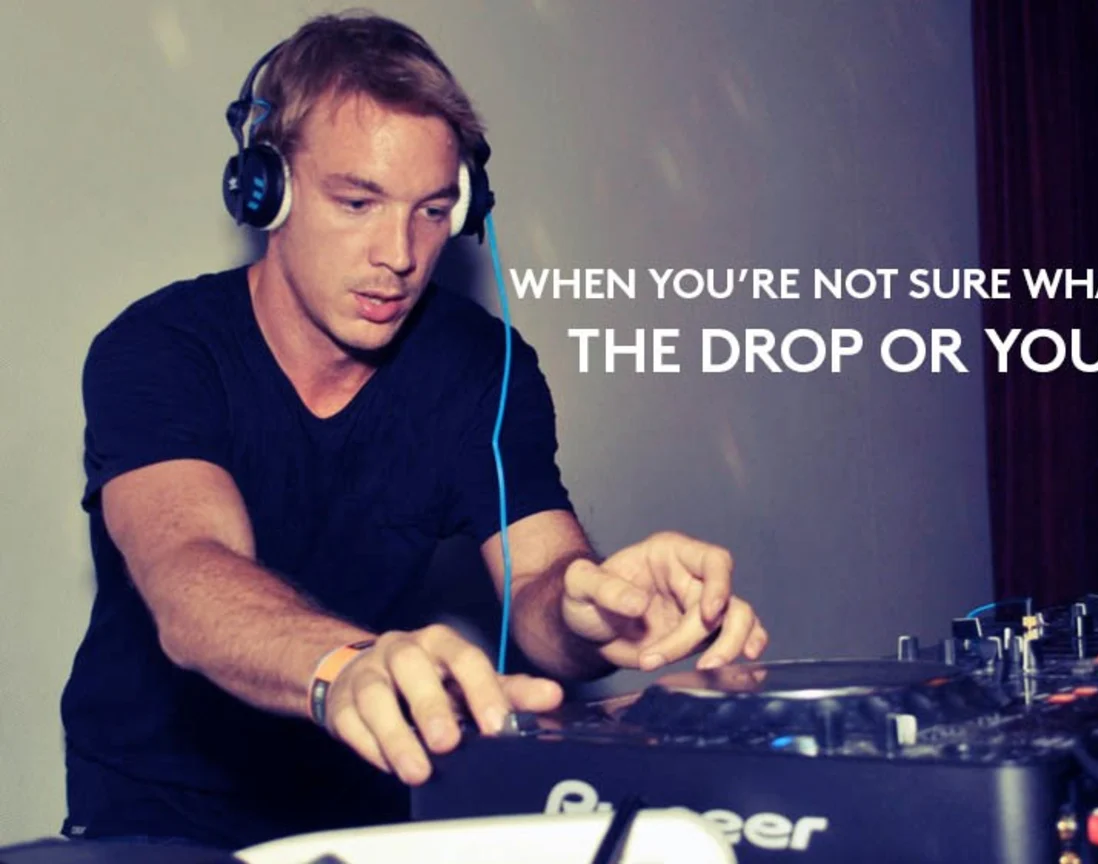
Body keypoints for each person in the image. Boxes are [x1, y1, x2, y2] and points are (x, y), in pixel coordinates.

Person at [59, 12, 767, 851]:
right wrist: (343, 666)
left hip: (369, 801)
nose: (398, 253)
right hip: (153, 817)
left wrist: (594, 612)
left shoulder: (480, 366)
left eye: (432, 211)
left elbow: (541, 586)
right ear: (267, 191)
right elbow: (191, 578)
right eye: (357, 202)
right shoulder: (159, 349)